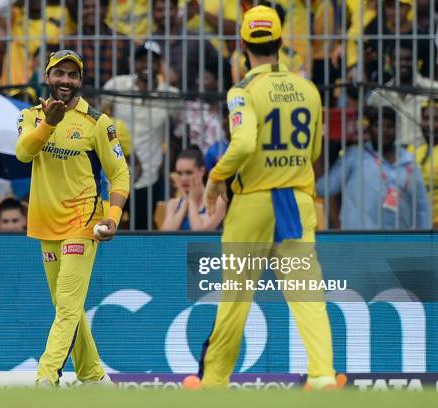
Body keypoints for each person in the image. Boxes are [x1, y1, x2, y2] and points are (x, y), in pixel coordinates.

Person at [201, 6, 336, 390]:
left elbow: (242, 144)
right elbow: (313, 153)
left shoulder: (243, 92)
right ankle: (324, 376)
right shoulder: (309, 90)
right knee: (308, 295)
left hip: (253, 203)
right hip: (296, 200)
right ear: (280, 42)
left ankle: (213, 382)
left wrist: (216, 178)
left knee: (236, 297)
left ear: (243, 45)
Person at [15, 50, 130, 386]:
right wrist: (50, 122)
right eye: (59, 74)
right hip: (45, 224)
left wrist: (113, 216)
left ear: (80, 80)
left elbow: (119, 174)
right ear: (47, 77)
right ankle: (94, 377)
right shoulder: (31, 116)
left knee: (66, 305)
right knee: (70, 308)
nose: (65, 80)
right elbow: (23, 154)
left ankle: (45, 379)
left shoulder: (97, 122)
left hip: (84, 222)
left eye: (72, 75)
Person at [102, 41, 180, 230]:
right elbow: (101, 119)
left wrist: (166, 168)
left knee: (142, 231)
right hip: (112, 174)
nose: (146, 65)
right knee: (107, 229)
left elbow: (177, 135)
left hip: (148, 177)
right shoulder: (116, 85)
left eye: (152, 61)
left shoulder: (171, 96)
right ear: (132, 63)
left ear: (160, 65)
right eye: (141, 60)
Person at [316, 107, 431, 230]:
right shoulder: (354, 156)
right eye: (378, 126)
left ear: (397, 130)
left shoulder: (409, 162)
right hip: (358, 242)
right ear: (370, 129)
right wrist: (321, 147)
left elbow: (422, 209)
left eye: (389, 126)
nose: (384, 130)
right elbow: (323, 189)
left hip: (397, 243)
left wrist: (424, 245)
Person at [367, 41, 438, 147]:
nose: (403, 63)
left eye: (408, 59)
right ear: (391, 62)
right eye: (399, 60)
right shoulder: (378, 95)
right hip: (389, 158)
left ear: (416, 62)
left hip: (426, 158)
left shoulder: (433, 89)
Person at [160, 148, 226, 231]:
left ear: (202, 171)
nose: (183, 178)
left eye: (189, 173)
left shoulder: (216, 201)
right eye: (179, 173)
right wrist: (185, 204)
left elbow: (199, 234)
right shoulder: (173, 204)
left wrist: (191, 201)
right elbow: (165, 236)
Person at [416, 101, 438, 228]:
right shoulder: (412, 151)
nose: (430, 124)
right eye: (426, 118)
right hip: (417, 227)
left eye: (436, 119)